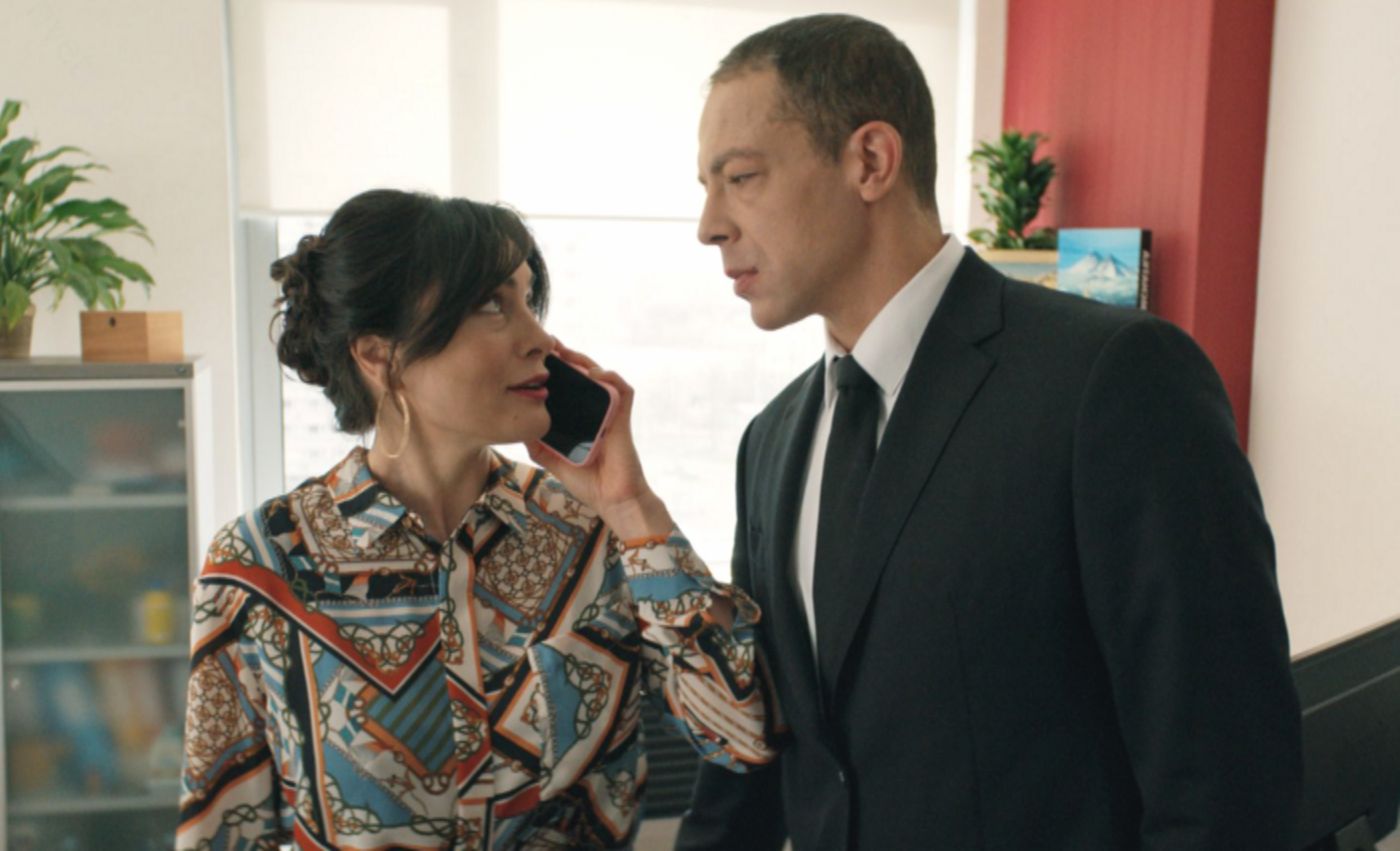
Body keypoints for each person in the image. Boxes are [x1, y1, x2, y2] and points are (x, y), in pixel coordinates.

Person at [675, 13, 1301, 851]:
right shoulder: (771, 440)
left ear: (870, 160)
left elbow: (1226, 780)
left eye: (741, 177)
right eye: (706, 187)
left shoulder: (1112, 379)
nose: (710, 224)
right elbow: (761, 763)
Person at [176, 189, 774, 850]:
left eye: (528, 299)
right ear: (378, 355)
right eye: (492, 304)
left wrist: (632, 506)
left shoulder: (596, 535)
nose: (538, 339)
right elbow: (220, 833)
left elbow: (743, 737)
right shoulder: (262, 566)